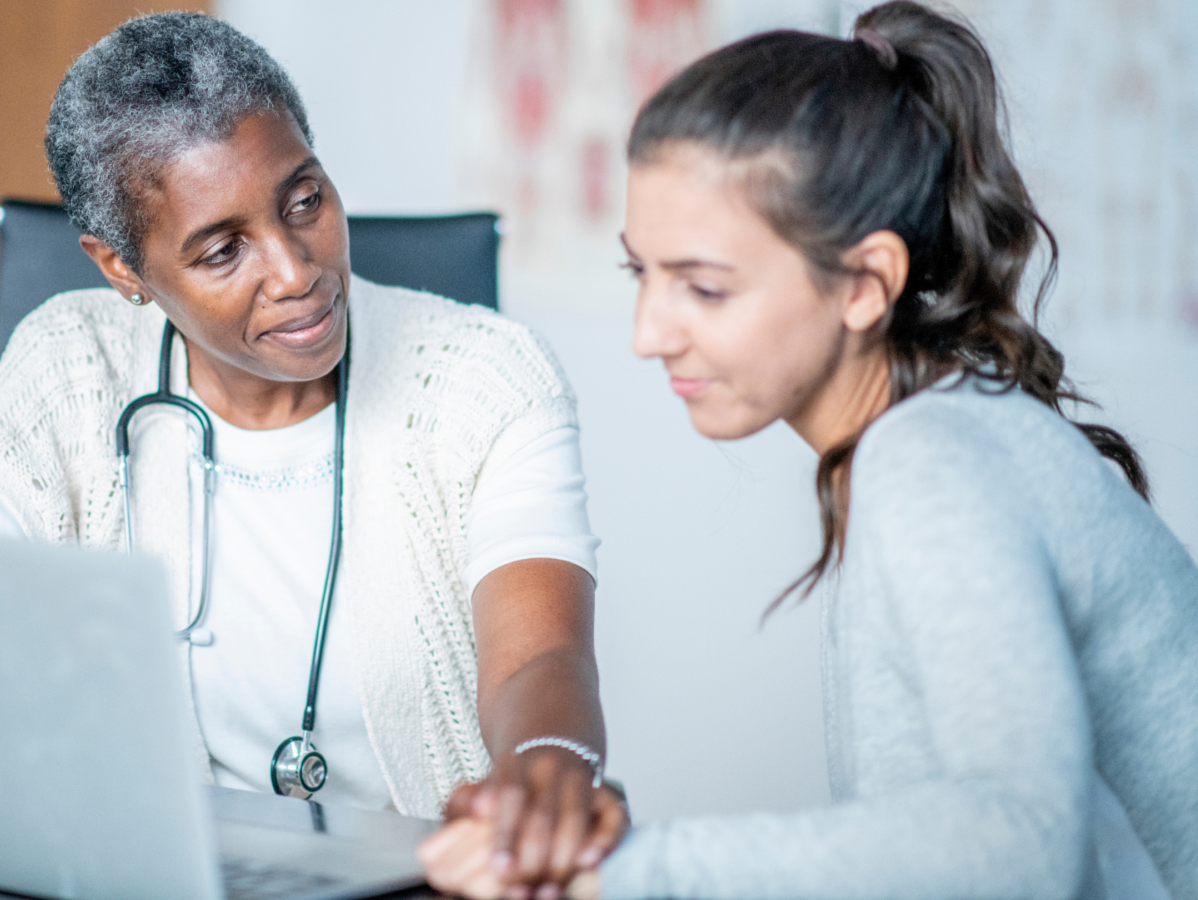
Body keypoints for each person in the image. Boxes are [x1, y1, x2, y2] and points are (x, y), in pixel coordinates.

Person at [420, 2, 1198, 898]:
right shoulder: (924, 432)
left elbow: (1023, 847)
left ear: (865, 284)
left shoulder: (934, 464)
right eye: (644, 273)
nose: (648, 333)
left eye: (704, 288)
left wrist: (621, 873)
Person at [0, 9, 627, 882]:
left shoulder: (484, 377)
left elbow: (541, 653)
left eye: (305, 201)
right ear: (121, 270)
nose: (297, 272)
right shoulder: (65, 368)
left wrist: (547, 762)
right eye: (223, 250)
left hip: (427, 877)